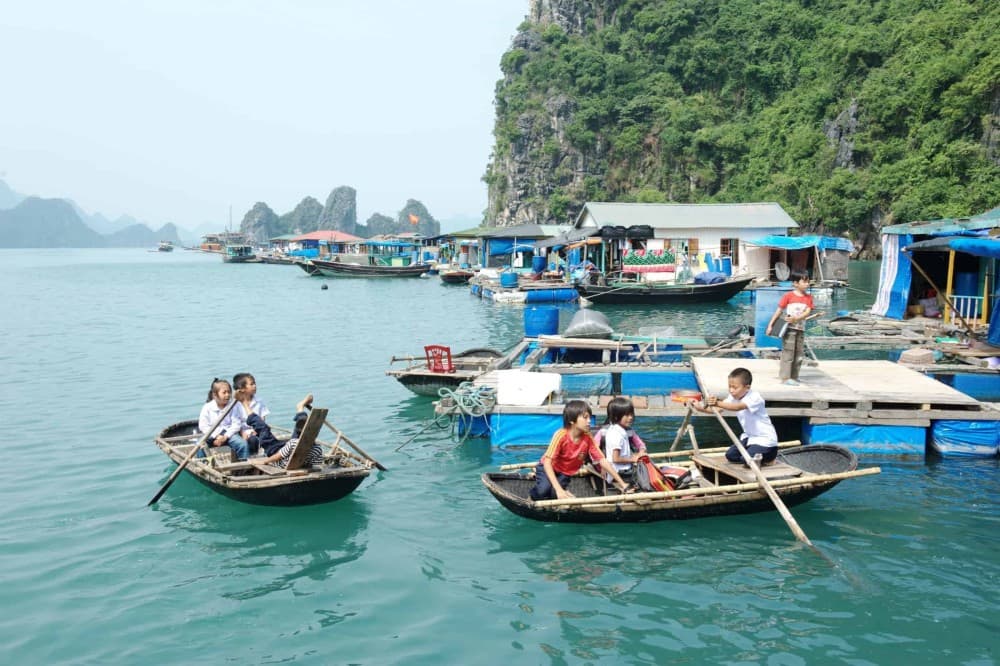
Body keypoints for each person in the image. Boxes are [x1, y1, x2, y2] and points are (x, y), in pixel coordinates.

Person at [529, 400, 634, 501]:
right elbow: (547, 462)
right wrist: (559, 490)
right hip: (547, 468)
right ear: (572, 421)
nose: (589, 421)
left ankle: (559, 489)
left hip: (565, 472)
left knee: (553, 495)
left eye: (589, 417)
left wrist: (623, 484)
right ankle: (534, 489)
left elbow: (602, 460)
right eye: (585, 418)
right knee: (543, 491)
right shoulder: (560, 435)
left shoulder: (587, 437)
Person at [690, 367, 778, 465]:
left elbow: (737, 407)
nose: (731, 390)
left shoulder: (755, 397)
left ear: (747, 387)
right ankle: (754, 454)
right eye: (730, 387)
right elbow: (717, 410)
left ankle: (770, 458)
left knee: (746, 460)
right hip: (749, 437)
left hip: (765, 440)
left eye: (735, 388)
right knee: (731, 456)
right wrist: (698, 406)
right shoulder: (733, 397)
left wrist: (717, 402)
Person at [765, 269, 815, 385]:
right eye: (805, 281)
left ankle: (794, 376)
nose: (807, 284)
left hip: (800, 329)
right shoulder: (788, 296)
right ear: (796, 283)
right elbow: (778, 311)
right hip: (789, 329)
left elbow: (807, 312)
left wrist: (796, 319)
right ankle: (785, 377)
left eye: (808, 281)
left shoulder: (809, 298)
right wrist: (770, 325)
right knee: (788, 353)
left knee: (798, 354)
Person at [255, 394, 325, 468]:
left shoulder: (293, 443)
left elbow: (277, 456)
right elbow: (315, 463)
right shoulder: (317, 448)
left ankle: (300, 408)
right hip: (296, 460)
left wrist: (265, 461)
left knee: (264, 431)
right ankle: (300, 408)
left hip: (282, 462)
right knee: (298, 431)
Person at [594, 397, 647, 483]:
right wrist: (603, 464)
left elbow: (641, 445)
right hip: (609, 466)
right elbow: (594, 449)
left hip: (625, 465)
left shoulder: (630, 431)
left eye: (631, 414)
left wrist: (640, 453)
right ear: (616, 416)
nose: (630, 418)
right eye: (627, 415)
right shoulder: (604, 432)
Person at [198, 378, 251, 460]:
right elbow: (203, 426)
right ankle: (203, 464)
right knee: (200, 445)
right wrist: (216, 436)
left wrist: (225, 437)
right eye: (224, 393)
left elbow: (236, 424)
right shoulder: (207, 407)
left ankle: (243, 466)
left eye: (229, 392)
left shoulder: (233, 405)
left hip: (229, 434)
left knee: (242, 444)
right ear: (215, 395)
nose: (227, 395)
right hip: (212, 434)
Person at [231, 372, 269, 456]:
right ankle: (248, 458)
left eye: (254, 383)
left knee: (256, 439)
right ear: (242, 388)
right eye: (251, 384)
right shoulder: (236, 404)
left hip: (256, 430)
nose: (254, 386)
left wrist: (256, 431)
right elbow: (236, 422)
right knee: (248, 441)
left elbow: (262, 420)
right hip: (241, 431)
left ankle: (257, 456)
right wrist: (242, 433)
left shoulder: (259, 402)